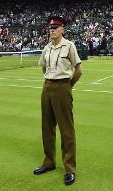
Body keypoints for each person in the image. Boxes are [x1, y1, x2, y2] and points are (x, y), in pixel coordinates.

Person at [33, 16, 83, 186]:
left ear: (63, 29)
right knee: (47, 127)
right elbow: (43, 67)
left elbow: (79, 70)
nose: (51, 30)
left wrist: (68, 85)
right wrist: (50, 81)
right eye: (50, 28)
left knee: (66, 129)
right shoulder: (46, 48)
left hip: (63, 87)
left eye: (55, 27)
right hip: (47, 87)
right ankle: (49, 162)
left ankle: (70, 168)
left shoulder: (69, 46)